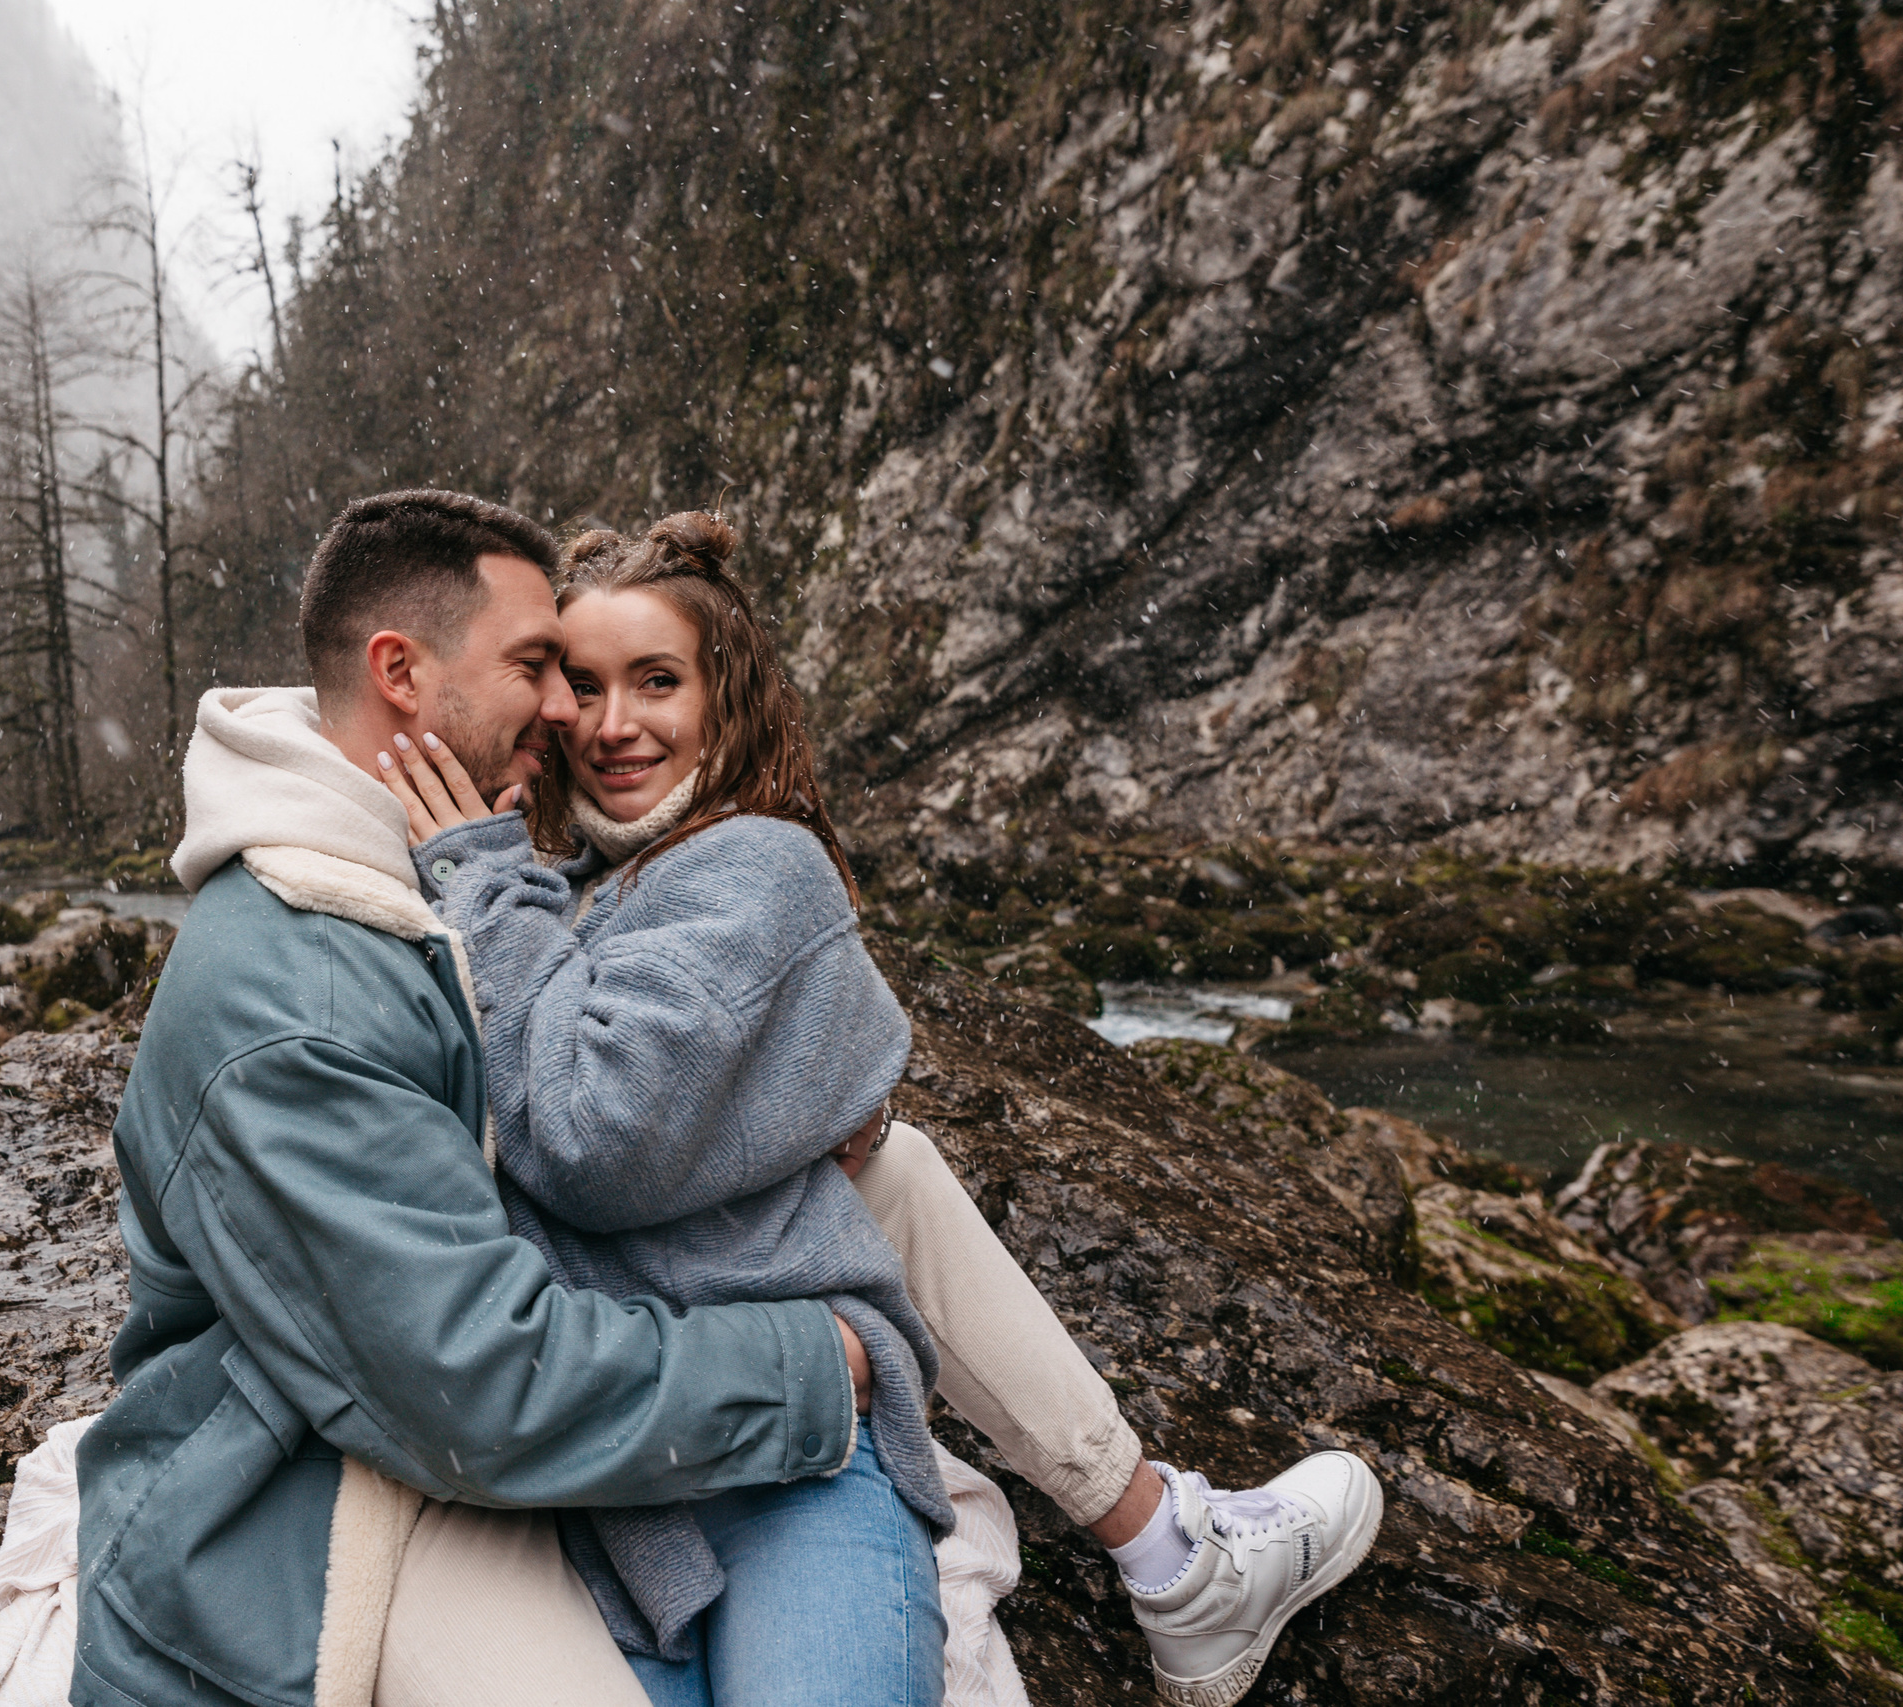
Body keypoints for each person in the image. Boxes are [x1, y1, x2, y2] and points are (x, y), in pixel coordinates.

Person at [373, 511, 1384, 1707]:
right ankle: (1166, 1546)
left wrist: (482, 878)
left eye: (657, 682)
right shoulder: (574, 885)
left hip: (782, 1441)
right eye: (579, 686)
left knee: (887, 1175)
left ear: (727, 695)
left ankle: (1167, 1548)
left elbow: (594, 1144)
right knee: (889, 1171)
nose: (610, 726)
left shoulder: (735, 861)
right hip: (620, 1459)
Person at [72, 490, 871, 1707]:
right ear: (400, 672)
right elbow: (478, 1386)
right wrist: (801, 1369)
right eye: (536, 664)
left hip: (396, 1429)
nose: (567, 708)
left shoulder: (392, 858)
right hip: (305, 1495)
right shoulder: (302, 998)